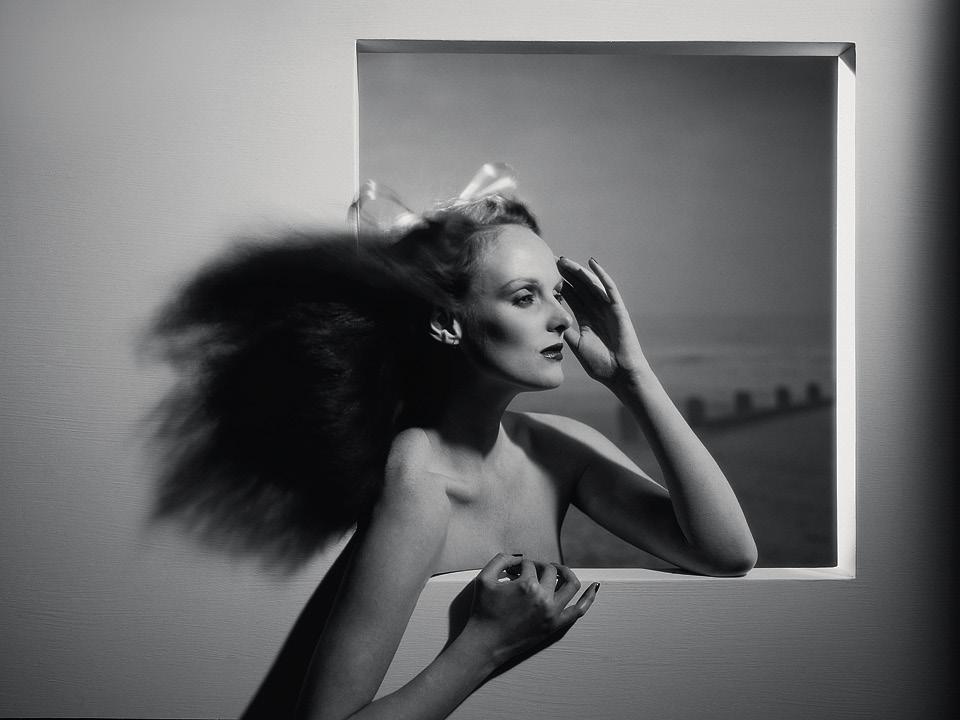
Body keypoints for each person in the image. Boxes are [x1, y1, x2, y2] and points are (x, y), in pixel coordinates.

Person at [149, 164, 757, 720]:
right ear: (446, 321)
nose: (561, 318)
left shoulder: (561, 449)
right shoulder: (419, 482)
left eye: (559, 293)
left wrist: (632, 378)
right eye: (525, 297)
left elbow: (727, 553)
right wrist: (486, 646)